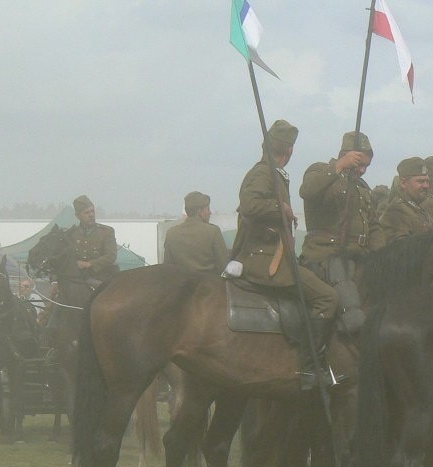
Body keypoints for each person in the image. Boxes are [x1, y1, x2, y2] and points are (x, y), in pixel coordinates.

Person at [230, 119, 339, 391]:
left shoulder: (274, 172)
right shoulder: (264, 173)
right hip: (265, 260)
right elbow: (250, 205)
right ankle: (311, 367)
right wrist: (282, 207)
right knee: (328, 297)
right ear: (289, 150)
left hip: (275, 256)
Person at [299, 131, 385, 267]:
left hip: (358, 257)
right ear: (344, 156)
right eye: (360, 164)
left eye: (366, 166)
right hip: (326, 256)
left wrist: (379, 256)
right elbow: (307, 191)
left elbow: (373, 225)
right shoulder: (320, 170)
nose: (363, 170)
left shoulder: (361, 186)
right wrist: (339, 166)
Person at [164, 191, 229, 275]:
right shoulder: (213, 231)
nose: (210, 213)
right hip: (208, 286)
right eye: (208, 209)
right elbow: (224, 266)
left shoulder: (171, 233)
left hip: (180, 286)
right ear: (200, 211)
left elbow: (167, 268)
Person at [379, 157, 433, 244]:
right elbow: (402, 250)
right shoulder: (396, 211)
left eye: (427, 181)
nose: (426, 186)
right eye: (420, 181)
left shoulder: (419, 209)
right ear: (403, 183)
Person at [65, 195, 118, 282]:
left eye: (92, 211)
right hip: (77, 279)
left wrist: (89, 264)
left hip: (102, 278)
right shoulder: (71, 234)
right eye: (86, 212)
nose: (91, 215)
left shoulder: (106, 232)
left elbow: (111, 256)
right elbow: (62, 258)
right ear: (77, 215)